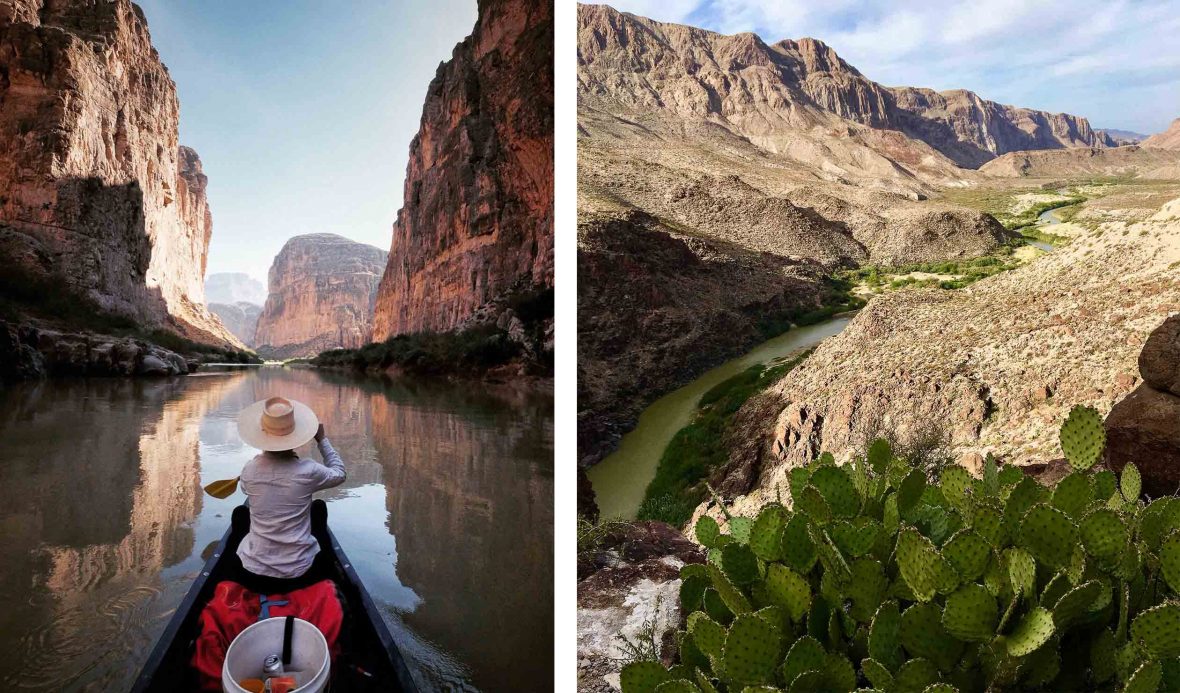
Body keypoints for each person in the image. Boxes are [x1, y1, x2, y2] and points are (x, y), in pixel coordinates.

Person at [230, 395, 347, 594]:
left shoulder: (248, 471)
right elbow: (340, 473)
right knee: (318, 508)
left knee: (241, 513)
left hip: (253, 571)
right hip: (300, 571)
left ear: (262, 433)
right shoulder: (309, 471)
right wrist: (322, 440)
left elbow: (245, 490)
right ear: (296, 434)